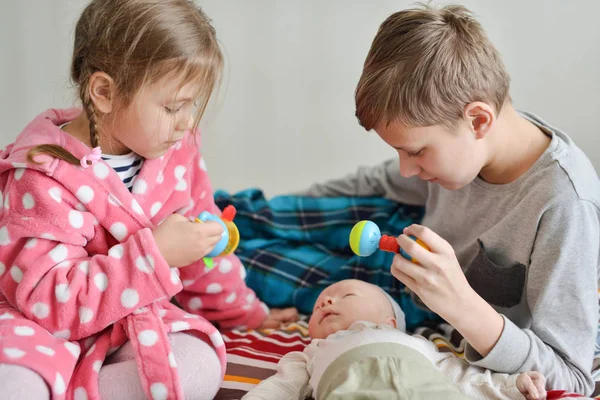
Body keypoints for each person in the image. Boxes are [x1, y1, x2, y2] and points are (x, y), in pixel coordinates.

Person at [0, 1, 296, 399]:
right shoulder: (39, 174)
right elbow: (49, 303)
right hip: (40, 325)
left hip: (128, 321)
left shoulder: (176, 152)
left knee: (200, 361)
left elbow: (202, 246)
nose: (188, 121)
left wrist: (247, 313)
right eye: (173, 107)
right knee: (16, 384)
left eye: (192, 104)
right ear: (104, 92)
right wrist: (153, 255)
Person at [305, 4, 600, 395]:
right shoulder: (464, 149)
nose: (406, 170)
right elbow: (372, 181)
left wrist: (461, 305)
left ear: (478, 121)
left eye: (416, 152)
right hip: (416, 293)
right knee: (264, 226)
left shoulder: (565, 205)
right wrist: (288, 205)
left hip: (475, 323)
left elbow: (573, 378)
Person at [243, 279, 547, 400]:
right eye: (319, 305)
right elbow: (281, 386)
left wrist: (512, 386)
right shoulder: (312, 352)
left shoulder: (418, 344)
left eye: (344, 295)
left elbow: (462, 377)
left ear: (389, 321)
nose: (325, 304)